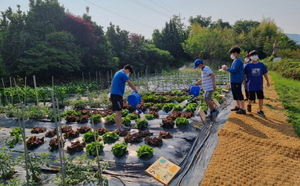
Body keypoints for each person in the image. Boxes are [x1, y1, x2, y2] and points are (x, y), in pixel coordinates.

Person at [109, 64, 138, 131]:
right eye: (129, 73)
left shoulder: (117, 73)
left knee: (119, 111)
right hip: (116, 95)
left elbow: (112, 84)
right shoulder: (122, 74)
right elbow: (129, 83)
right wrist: (136, 90)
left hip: (116, 94)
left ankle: (120, 125)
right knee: (118, 112)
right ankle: (119, 128)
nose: (128, 74)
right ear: (127, 70)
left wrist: (111, 95)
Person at [244, 50, 270, 116]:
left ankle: (260, 110)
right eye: (252, 55)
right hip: (251, 85)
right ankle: (249, 104)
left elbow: (265, 74)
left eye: (255, 55)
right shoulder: (248, 66)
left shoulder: (261, 65)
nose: (254, 56)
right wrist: (244, 83)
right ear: (250, 57)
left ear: (257, 56)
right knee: (251, 98)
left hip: (259, 84)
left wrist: (267, 81)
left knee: (260, 97)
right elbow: (245, 75)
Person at [222, 47, 246, 114]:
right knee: (235, 94)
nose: (232, 55)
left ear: (235, 53)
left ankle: (242, 108)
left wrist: (227, 68)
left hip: (237, 80)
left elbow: (234, 70)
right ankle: (238, 107)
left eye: (232, 53)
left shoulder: (238, 60)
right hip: (234, 80)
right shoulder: (236, 60)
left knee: (239, 94)